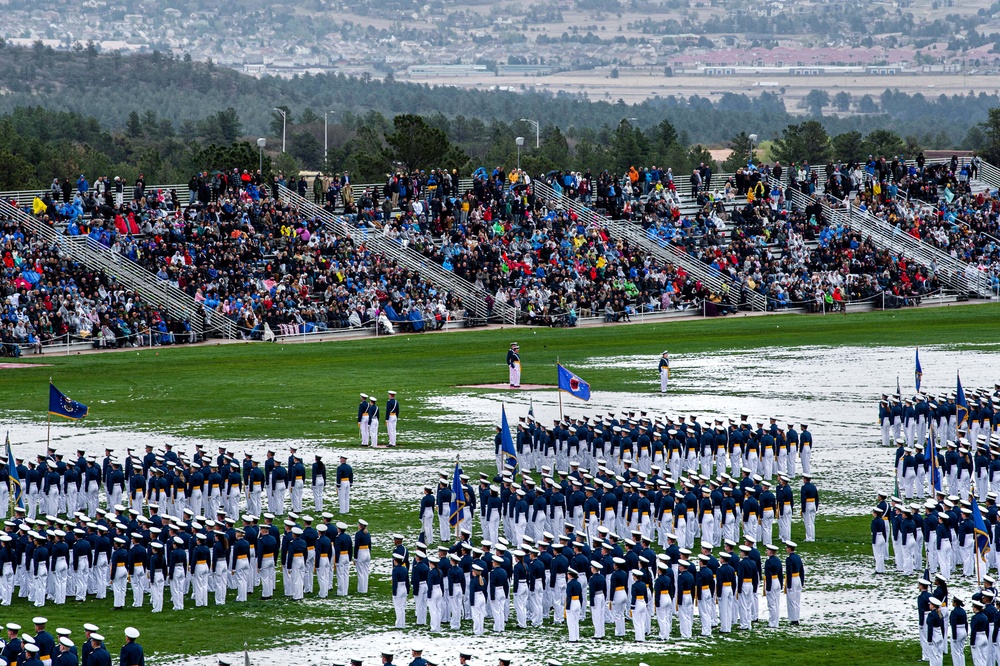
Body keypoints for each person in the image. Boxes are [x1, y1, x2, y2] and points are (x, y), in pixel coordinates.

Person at [784, 540, 804, 625]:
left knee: (791, 600)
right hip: (798, 578)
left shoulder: (789, 559)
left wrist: (788, 583)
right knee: (797, 599)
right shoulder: (798, 557)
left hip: (792, 579)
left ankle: (793, 619)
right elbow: (802, 570)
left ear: (789, 548)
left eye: (787, 547)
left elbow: (789, 572)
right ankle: (797, 617)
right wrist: (801, 581)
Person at [392, 553, 410, 628]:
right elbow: (407, 580)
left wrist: (394, 591)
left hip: (399, 588)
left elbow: (395, 581)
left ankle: (399, 624)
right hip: (404, 588)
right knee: (402, 607)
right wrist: (408, 590)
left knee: (398, 607)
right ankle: (403, 623)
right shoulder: (405, 568)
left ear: (395, 561)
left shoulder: (395, 570)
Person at [355, 519, 372, 594]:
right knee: (365, 572)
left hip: (361, 552)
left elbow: (356, 546)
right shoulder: (368, 533)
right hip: (367, 552)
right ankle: (365, 588)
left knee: (360, 572)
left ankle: (361, 589)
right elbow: (370, 545)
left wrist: (355, 557)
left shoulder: (358, 534)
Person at [951, 594, 968, 666]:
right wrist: (966, 632)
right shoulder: (963, 611)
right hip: (963, 630)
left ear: (955, 602)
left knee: (956, 653)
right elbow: (966, 622)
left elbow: (953, 624)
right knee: (961, 651)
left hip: (958, 631)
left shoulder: (954, 612)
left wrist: (954, 636)